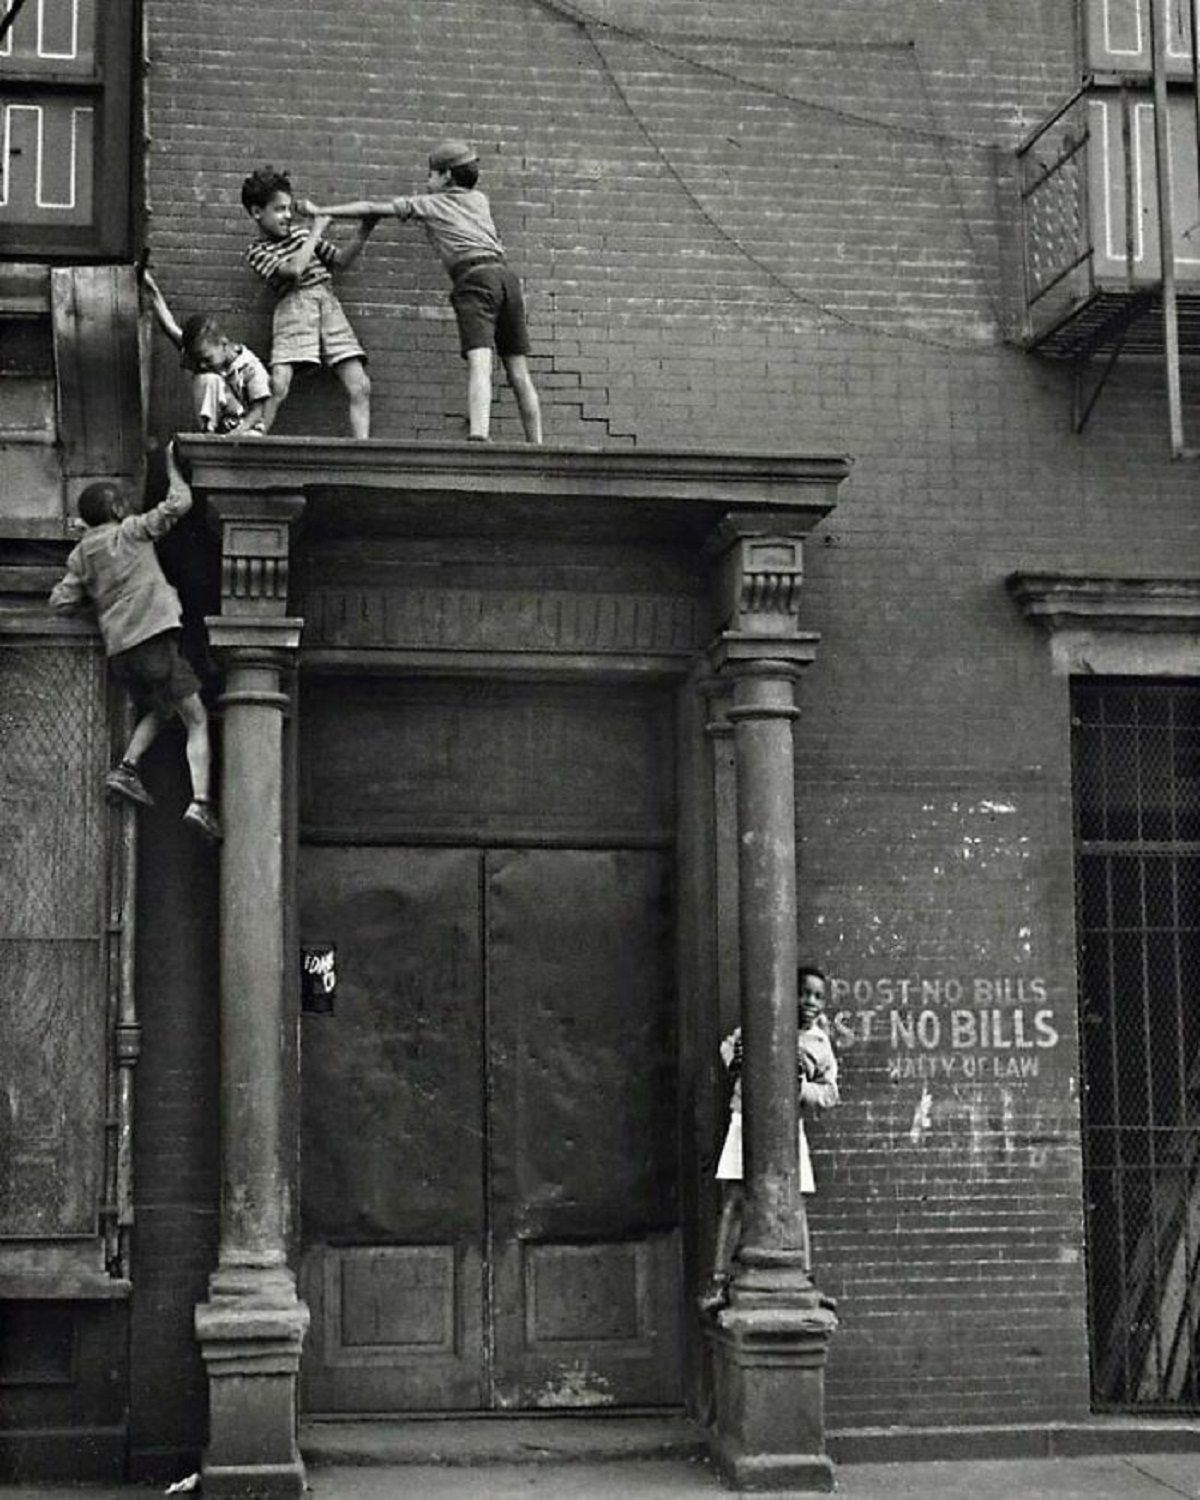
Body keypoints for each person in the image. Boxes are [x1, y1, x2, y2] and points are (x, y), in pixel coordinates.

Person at [311, 139, 543, 444]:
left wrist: (322, 210)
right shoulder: (480, 200)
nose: (427, 181)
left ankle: (479, 436)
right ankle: (538, 445)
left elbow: (371, 209)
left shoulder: (430, 203)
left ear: (446, 176)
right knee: (518, 371)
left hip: (474, 280)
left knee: (480, 362)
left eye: (431, 175)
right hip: (506, 278)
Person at [48, 442, 222, 844]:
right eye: (122, 502)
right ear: (115, 510)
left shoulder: (82, 555)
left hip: (123, 653)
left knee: (163, 709)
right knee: (196, 718)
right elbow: (180, 503)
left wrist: (97, 585)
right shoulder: (132, 532)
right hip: (154, 639)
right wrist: (170, 465)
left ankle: (127, 768)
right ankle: (200, 803)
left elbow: (62, 603)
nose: (127, 506)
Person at [700, 964, 839, 1312]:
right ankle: (718, 1281)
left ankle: (805, 1278)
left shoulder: (820, 1045)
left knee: (797, 1206)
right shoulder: (761, 1024)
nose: (810, 1002)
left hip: (789, 1128)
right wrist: (736, 1060)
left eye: (818, 997)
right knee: (734, 1199)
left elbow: (830, 1093)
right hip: (744, 1118)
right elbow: (727, 1047)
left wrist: (803, 1087)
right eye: (804, 993)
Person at [241, 165, 377, 438]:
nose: (288, 215)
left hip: (328, 303)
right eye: (279, 209)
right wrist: (316, 229)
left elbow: (339, 261)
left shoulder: (302, 236)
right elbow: (293, 271)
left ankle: (363, 451)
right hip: (294, 306)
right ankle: (254, 437)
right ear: (257, 213)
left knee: (361, 385)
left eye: (289, 208)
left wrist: (365, 229)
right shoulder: (257, 251)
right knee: (278, 385)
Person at [141, 268, 271, 435]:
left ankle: (210, 439)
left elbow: (258, 411)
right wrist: (151, 287)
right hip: (221, 429)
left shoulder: (250, 367)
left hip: (246, 430)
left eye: (207, 359)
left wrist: (236, 434)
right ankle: (207, 434)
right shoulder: (204, 352)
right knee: (172, 450)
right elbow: (170, 327)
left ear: (224, 344)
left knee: (209, 379)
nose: (202, 364)